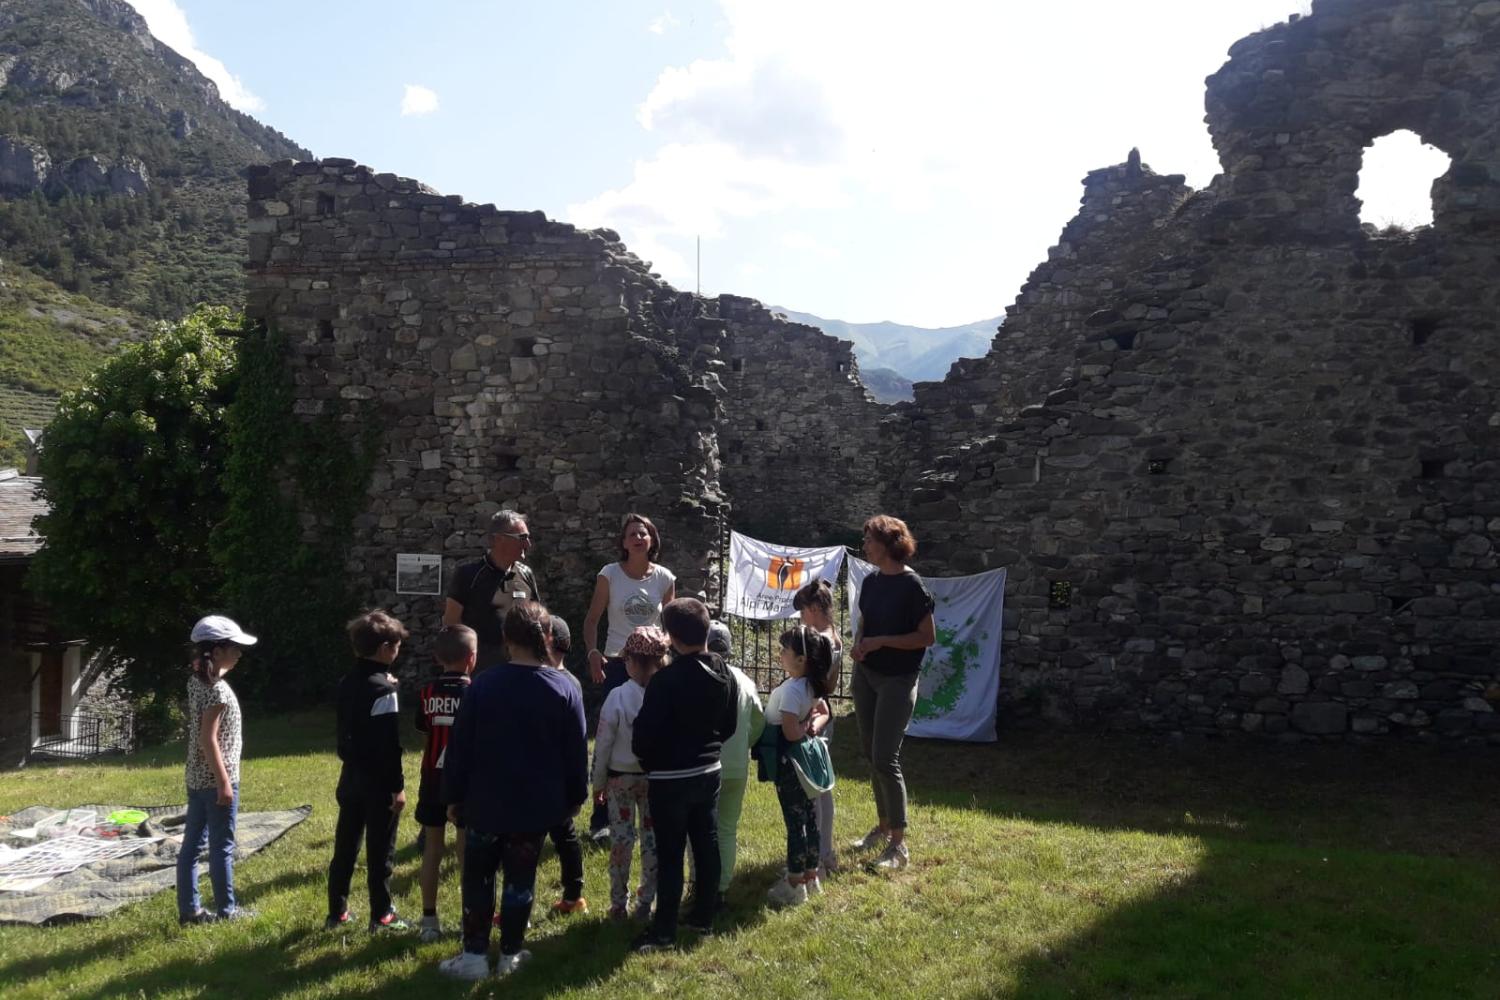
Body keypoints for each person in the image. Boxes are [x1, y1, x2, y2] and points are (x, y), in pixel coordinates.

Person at [438, 602, 587, 981]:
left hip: (485, 801)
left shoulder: (483, 686)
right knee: (521, 879)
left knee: (478, 878)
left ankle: (473, 955)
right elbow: (575, 752)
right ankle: (510, 952)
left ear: (505, 639)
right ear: (548, 637)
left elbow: (460, 749)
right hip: (534, 806)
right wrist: (575, 797)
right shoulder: (563, 688)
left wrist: (453, 796)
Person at [629, 598, 736, 952]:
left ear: (672, 637)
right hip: (709, 770)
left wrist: (651, 761)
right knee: (706, 845)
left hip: (670, 778)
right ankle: (704, 917)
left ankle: (664, 932)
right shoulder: (724, 672)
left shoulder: (666, 681)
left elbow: (644, 735)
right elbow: (729, 724)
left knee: (672, 854)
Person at [582, 512, 675, 840]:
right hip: (618, 664)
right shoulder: (609, 575)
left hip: (653, 666)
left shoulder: (665, 578)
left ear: (652, 541)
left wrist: (668, 664)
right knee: (612, 736)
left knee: (657, 735)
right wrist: (594, 654)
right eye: (632, 534)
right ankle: (601, 818)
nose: (638, 538)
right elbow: (592, 620)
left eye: (644, 533)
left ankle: (654, 809)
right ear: (623, 543)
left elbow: (669, 627)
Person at [850, 515, 935, 872]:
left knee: (886, 757)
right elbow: (866, 622)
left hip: (898, 680)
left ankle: (898, 846)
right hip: (866, 675)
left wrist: (883, 642)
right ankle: (883, 827)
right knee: (871, 754)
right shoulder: (870, 582)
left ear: (889, 544)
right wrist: (859, 646)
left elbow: (926, 637)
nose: (865, 545)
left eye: (870, 539)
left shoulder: (912, 586)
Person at [327, 609, 411, 933]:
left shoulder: (347, 682)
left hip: (350, 778)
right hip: (379, 784)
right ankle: (382, 914)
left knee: (345, 847)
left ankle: (337, 912)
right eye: (397, 646)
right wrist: (397, 787)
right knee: (381, 851)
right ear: (386, 649)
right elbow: (389, 744)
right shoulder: (384, 691)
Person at [176, 615, 258, 926]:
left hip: (195, 778)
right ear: (217, 650)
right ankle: (228, 911)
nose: (239, 653)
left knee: (191, 846)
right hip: (216, 780)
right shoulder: (217, 691)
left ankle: (190, 912)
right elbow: (207, 738)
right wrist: (225, 783)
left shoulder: (196, 681)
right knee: (222, 846)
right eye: (234, 647)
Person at [592, 626, 666, 920]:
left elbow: (604, 743)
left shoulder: (617, 697)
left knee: (621, 841)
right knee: (651, 841)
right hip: (653, 778)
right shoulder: (664, 697)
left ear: (631, 662)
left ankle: (617, 903)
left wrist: (598, 783)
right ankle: (646, 901)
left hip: (620, 778)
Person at [762, 625, 836, 907]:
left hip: (789, 762)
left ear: (801, 659)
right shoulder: (808, 685)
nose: (780, 654)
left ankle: (793, 884)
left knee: (796, 824)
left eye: (785, 650)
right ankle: (810, 875)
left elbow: (791, 732)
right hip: (800, 760)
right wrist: (813, 726)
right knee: (809, 819)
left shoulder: (794, 689)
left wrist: (806, 727)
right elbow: (824, 712)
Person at [414, 624, 476, 942]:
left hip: (431, 780)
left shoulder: (426, 693)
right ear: (472, 658)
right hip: (464, 782)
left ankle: (429, 919)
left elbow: (426, 732)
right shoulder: (476, 692)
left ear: (437, 657)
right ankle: (469, 918)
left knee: (432, 849)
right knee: (466, 851)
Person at [708, 620, 764, 908]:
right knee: (727, 828)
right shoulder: (744, 680)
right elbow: (758, 719)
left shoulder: (701, 677)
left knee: (703, 829)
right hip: (736, 765)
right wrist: (745, 744)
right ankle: (721, 888)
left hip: (706, 765)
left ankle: (701, 885)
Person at [443, 510, 542, 670]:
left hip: (521, 671)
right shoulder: (468, 574)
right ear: (499, 539)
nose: (528, 544)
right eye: (522, 538)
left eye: (528, 538)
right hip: (482, 673)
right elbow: (451, 623)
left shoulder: (525, 574)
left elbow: (538, 619)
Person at [793, 579, 841, 875]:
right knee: (822, 787)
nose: (800, 618)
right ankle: (826, 853)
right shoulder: (834, 637)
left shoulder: (819, 641)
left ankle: (817, 857)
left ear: (813, 609)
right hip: (822, 711)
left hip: (812, 716)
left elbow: (808, 681)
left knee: (812, 789)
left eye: (802, 612)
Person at [540, 616, 587, 916]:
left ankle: (572, 895)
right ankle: (573, 895)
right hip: (559, 777)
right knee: (565, 836)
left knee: (538, 839)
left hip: (545, 775)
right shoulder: (572, 681)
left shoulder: (552, 682)